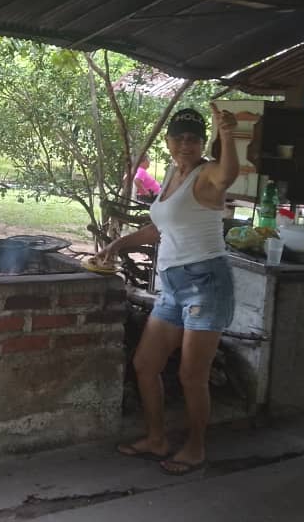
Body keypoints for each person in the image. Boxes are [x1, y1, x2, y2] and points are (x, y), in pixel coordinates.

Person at [95, 103, 239, 476]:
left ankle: (195, 447)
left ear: (202, 141)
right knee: (145, 365)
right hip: (173, 286)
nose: (186, 144)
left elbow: (228, 176)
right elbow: (160, 229)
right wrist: (118, 243)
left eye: (194, 138)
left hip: (206, 283)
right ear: (169, 142)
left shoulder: (207, 174)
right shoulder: (173, 176)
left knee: (192, 375)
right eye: (180, 138)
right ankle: (157, 437)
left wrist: (228, 134)